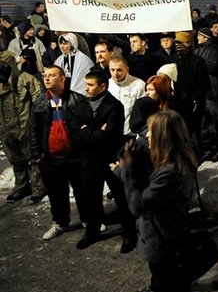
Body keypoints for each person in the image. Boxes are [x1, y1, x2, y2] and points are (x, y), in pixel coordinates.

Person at [121, 110, 202, 292]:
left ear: (163, 136)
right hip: (170, 236)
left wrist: (127, 172)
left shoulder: (169, 172)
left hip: (163, 243)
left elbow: (138, 206)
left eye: (151, 132)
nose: (146, 135)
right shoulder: (179, 160)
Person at [30, 65, 93, 240]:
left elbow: (87, 127)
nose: (47, 79)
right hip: (50, 159)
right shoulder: (39, 102)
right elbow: (34, 130)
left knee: (82, 191)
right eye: (45, 75)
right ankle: (60, 223)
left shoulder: (77, 100)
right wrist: (38, 156)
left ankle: (88, 220)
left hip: (75, 157)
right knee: (56, 194)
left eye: (51, 75)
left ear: (62, 79)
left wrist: (84, 152)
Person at [74, 70, 134, 252]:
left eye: (90, 85)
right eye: (86, 84)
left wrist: (87, 132)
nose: (86, 89)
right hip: (89, 161)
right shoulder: (81, 105)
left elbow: (110, 136)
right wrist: (95, 133)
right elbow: (75, 134)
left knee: (121, 199)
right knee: (92, 200)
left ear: (102, 86)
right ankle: (92, 232)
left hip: (110, 160)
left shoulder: (114, 106)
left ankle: (129, 233)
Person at [0, 51, 45, 203]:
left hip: (25, 126)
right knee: (15, 159)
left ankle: (38, 186)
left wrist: (38, 126)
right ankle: (22, 185)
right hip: (5, 127)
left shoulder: (27, 80)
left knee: (32, 158)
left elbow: (39, 103)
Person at [108, 57, 146, 135]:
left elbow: (143, 112)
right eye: (112, 70)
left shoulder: (139, 85)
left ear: (127, 69)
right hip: (110, 134)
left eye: (119, 70)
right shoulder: (106, 86)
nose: (115, 73)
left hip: (131, 134)